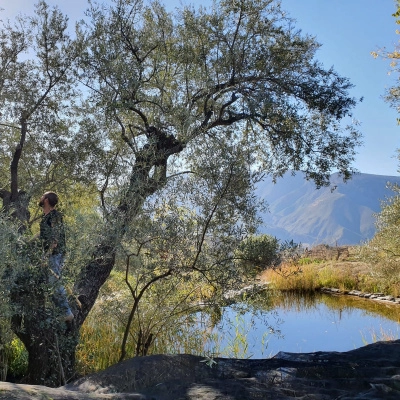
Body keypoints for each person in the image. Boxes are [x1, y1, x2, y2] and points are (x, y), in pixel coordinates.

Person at [38, 191, 74, 322]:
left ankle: (67, 313)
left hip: (55, 254)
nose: (40, 198)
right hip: (51, 254)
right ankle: (59, 313)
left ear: (46, 200)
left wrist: (45, 256)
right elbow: (45, 234)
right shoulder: (46, 217)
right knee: (50, 283)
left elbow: (55, 239)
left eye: (42, 196)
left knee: (55, 283)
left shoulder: (55, 216)